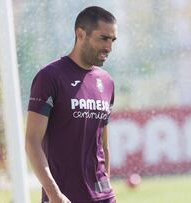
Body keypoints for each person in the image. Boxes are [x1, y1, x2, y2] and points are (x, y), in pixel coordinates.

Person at [25, 6, 118, 203]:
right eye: (103, 38)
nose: (109, 47)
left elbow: (103, 145)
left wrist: (105, 186)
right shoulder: (49, 77)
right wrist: (54, 194)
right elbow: (32, 141)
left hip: (104, 197)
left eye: (112, 40)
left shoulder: (107, 82)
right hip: (64, 198)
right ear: (80, 34)